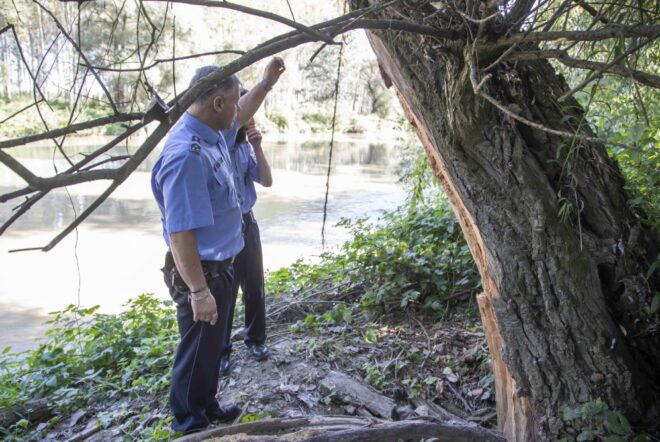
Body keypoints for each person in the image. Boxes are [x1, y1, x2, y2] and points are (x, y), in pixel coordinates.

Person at [151, 57, 285, 434]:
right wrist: (198, 291)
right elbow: (181, 234)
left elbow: (243, 111)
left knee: (211, 349)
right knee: (196, 353)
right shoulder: (186, 155)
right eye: (235, 102)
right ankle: (190, 423)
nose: (240, 113)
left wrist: (265, 83)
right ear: (217, 104)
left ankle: (207, 403)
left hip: (222, 266)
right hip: (202, 273)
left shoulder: (213, 132)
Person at [219, 108, 273, 376]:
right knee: (226, 292)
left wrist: (258, 147)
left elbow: (267, 180)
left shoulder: (244, 148)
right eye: (247, 113)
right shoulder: (218, 144)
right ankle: (221, 351)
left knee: (254, 284)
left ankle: (256, 339)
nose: (251, 120)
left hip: (247, 222)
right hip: (224, 227)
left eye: (253, 115)